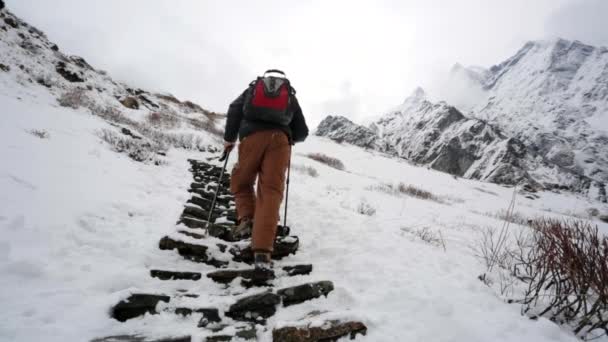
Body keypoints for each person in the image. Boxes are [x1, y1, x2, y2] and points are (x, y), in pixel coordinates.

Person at [223, 69, 308, 276]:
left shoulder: (252, 90)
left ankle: (247, 220)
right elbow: (302, 131)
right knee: (271, 192)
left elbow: (234, 109)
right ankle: (262, 253)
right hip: (280, 142)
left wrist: (229, 138)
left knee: (241, 183)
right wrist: (290, 139)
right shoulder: (291, 97)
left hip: (251, 138)